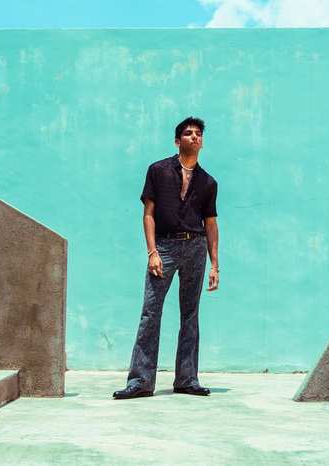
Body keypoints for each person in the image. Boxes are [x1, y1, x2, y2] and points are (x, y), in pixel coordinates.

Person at [113, 117, 219, 399]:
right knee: (151, 311)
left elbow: (210, 224)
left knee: (191, 314)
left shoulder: (208, 182)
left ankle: (187, 379)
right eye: (188, 133)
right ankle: (140, 381)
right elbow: (148, 214)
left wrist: (214, 265)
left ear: (202, 142)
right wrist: (153, 252)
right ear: (177, 141)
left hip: (196, 249)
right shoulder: (158, 171)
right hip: (165, 247)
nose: (194, 137)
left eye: (198, 134)